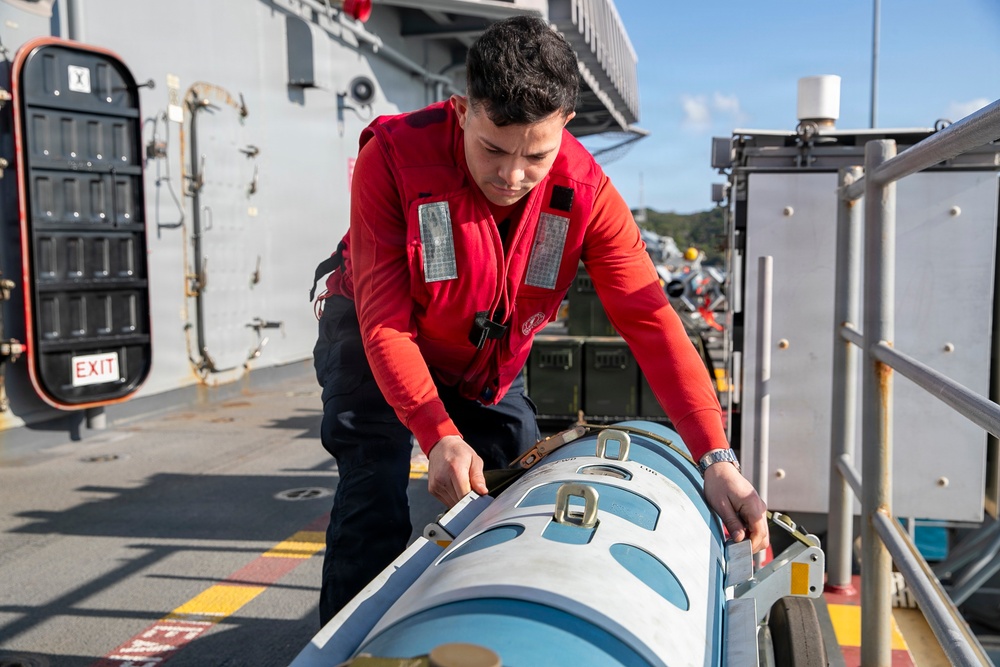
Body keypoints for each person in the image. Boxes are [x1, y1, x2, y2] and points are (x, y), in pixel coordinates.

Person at [311, 14, 768, 626]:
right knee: (374, 484)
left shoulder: (587, 192)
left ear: (566, 127)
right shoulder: (393, 159)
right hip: (373, 333)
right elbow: (385, 322)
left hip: (485, 357)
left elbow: (651, 320)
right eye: (493, 149)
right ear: (463, 108)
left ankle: (475, 625)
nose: (511, 176)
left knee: (514, 484)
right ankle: (350, 640)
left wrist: (716, 457)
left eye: (536, 156)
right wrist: (436, 431)